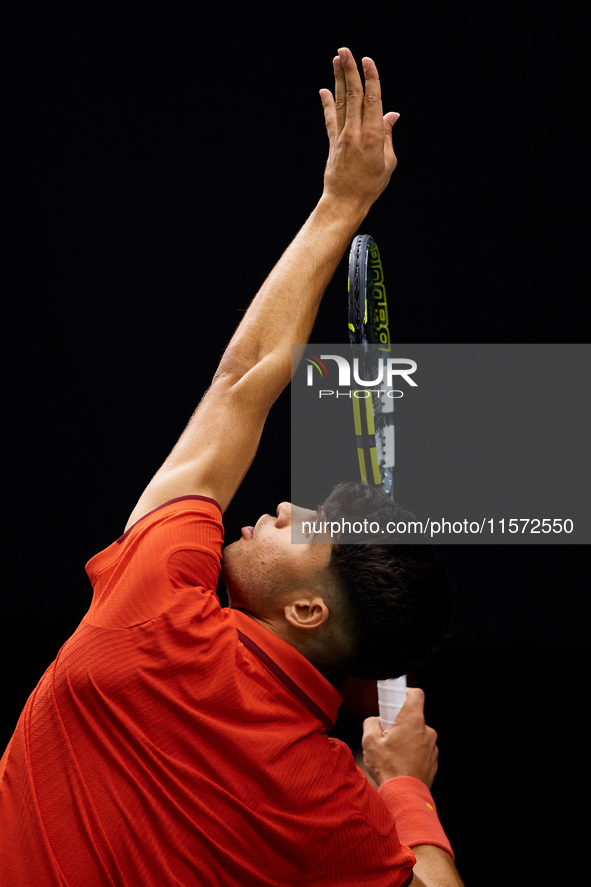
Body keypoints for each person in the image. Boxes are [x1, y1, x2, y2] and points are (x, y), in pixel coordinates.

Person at [0, 48, 464, 886]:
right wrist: (402, 790)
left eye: (303, 526)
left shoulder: (157, 616)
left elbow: (238, 383)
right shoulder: (335, 813)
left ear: (304, 606)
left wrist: (340, 203)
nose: (280, 507)